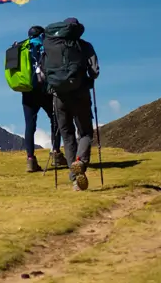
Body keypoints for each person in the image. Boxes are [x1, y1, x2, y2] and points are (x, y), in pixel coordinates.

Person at [43, 17, 100, 191]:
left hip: (59, 96)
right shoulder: (85, 46)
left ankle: (75, 179)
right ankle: (80, 161)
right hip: (80, 93)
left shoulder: (50, 46)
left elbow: (44, 70)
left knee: (67, 135)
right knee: (85, 133)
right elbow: (95, 72)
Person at [22, 25, 66, 173]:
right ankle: (56, 154)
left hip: (27, 91)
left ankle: (30, 160)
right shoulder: (46, 47)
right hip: (45, 90)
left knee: (30, 125)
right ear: (42, 35)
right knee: (55, 119)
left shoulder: (23, 48)